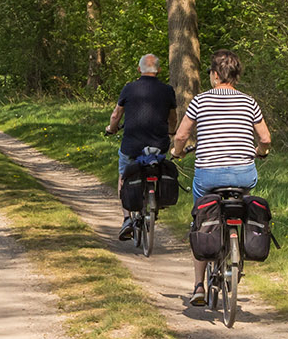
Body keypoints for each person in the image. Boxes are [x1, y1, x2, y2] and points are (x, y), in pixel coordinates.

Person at [170, 49, 272, 306]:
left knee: (202, 220)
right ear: (236, 76)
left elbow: (181, 136)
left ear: (215, 75)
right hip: (243, 175)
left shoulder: (200, 101)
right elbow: (266, 139)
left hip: (208, 177)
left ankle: (198, 286)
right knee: (242, 200)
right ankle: (237, 250)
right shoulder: (249, 102)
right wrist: (261, 153)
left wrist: (177, 152)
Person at [104, 54, 175, 241]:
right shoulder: (168, 90)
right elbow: (173, 117)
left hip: (132, 145)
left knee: (124, 174)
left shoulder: (129, 88)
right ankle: (155, 198)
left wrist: (111, 129)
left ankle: (127, 218)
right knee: (158, 167)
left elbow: (116, 115)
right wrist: (172, 131)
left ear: (139, 70)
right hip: (159, 145)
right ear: (159, 70)